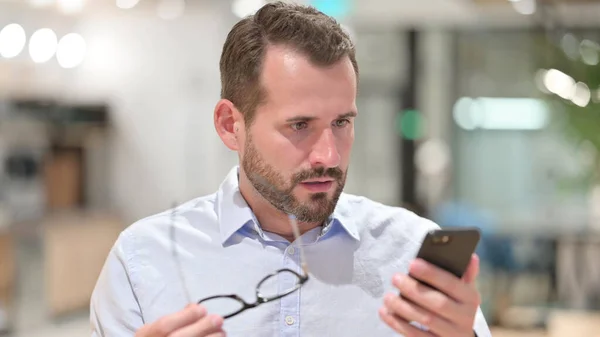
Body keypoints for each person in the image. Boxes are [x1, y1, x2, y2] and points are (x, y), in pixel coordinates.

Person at [90, 2, 492, 336]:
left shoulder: (410, 253)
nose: (329, 157)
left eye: (342, 123)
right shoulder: (142, 261)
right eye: (300, 126)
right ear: (231, 125)